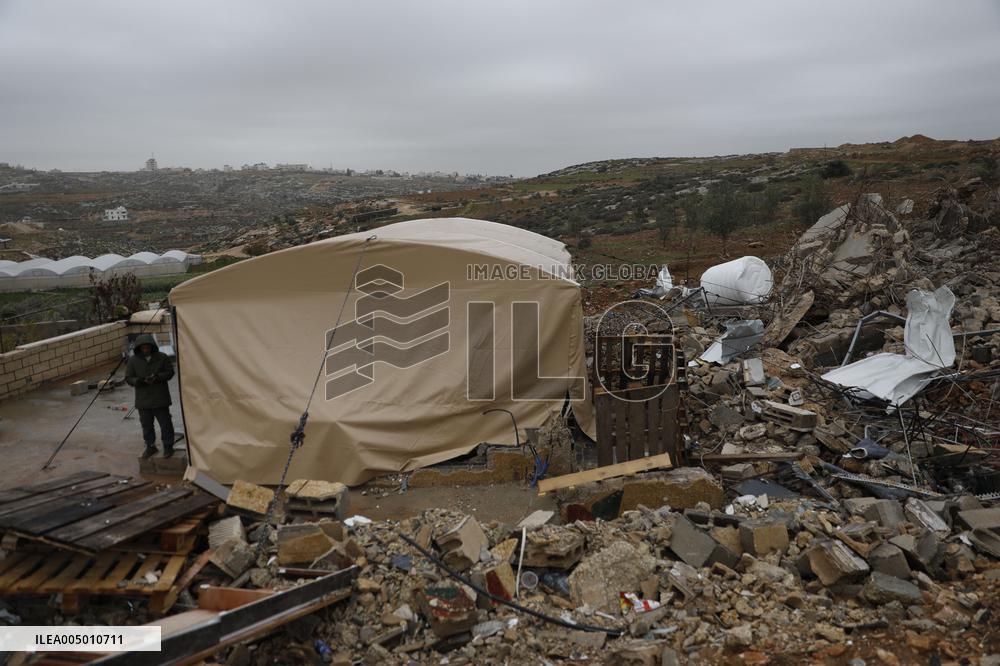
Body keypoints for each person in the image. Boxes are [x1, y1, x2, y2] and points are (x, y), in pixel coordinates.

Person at [125, 333, 176, 458]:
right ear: (139, 348)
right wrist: (139, 381)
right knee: (147, 426)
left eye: (147, 347)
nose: (145, 350)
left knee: (165, 424)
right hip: (143, 400)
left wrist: (158, 377)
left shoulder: (162, 357)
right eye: (143, 348)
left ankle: (168, 447)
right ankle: (150, 446)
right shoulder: (133, 361)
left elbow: (170, 372)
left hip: (160, 398)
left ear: (152, 346)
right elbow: (128, 378)